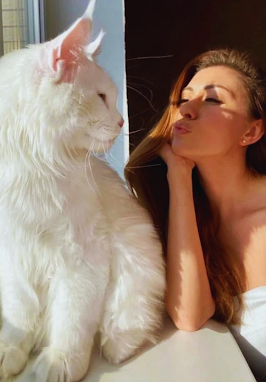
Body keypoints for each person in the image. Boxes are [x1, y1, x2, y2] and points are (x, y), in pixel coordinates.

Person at [126, 49, 266, 380]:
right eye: (184, 99)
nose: (186, 111)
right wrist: (179, 177)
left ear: (251, 132)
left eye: (213, 100)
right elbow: (190, 316)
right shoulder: (180, 218)